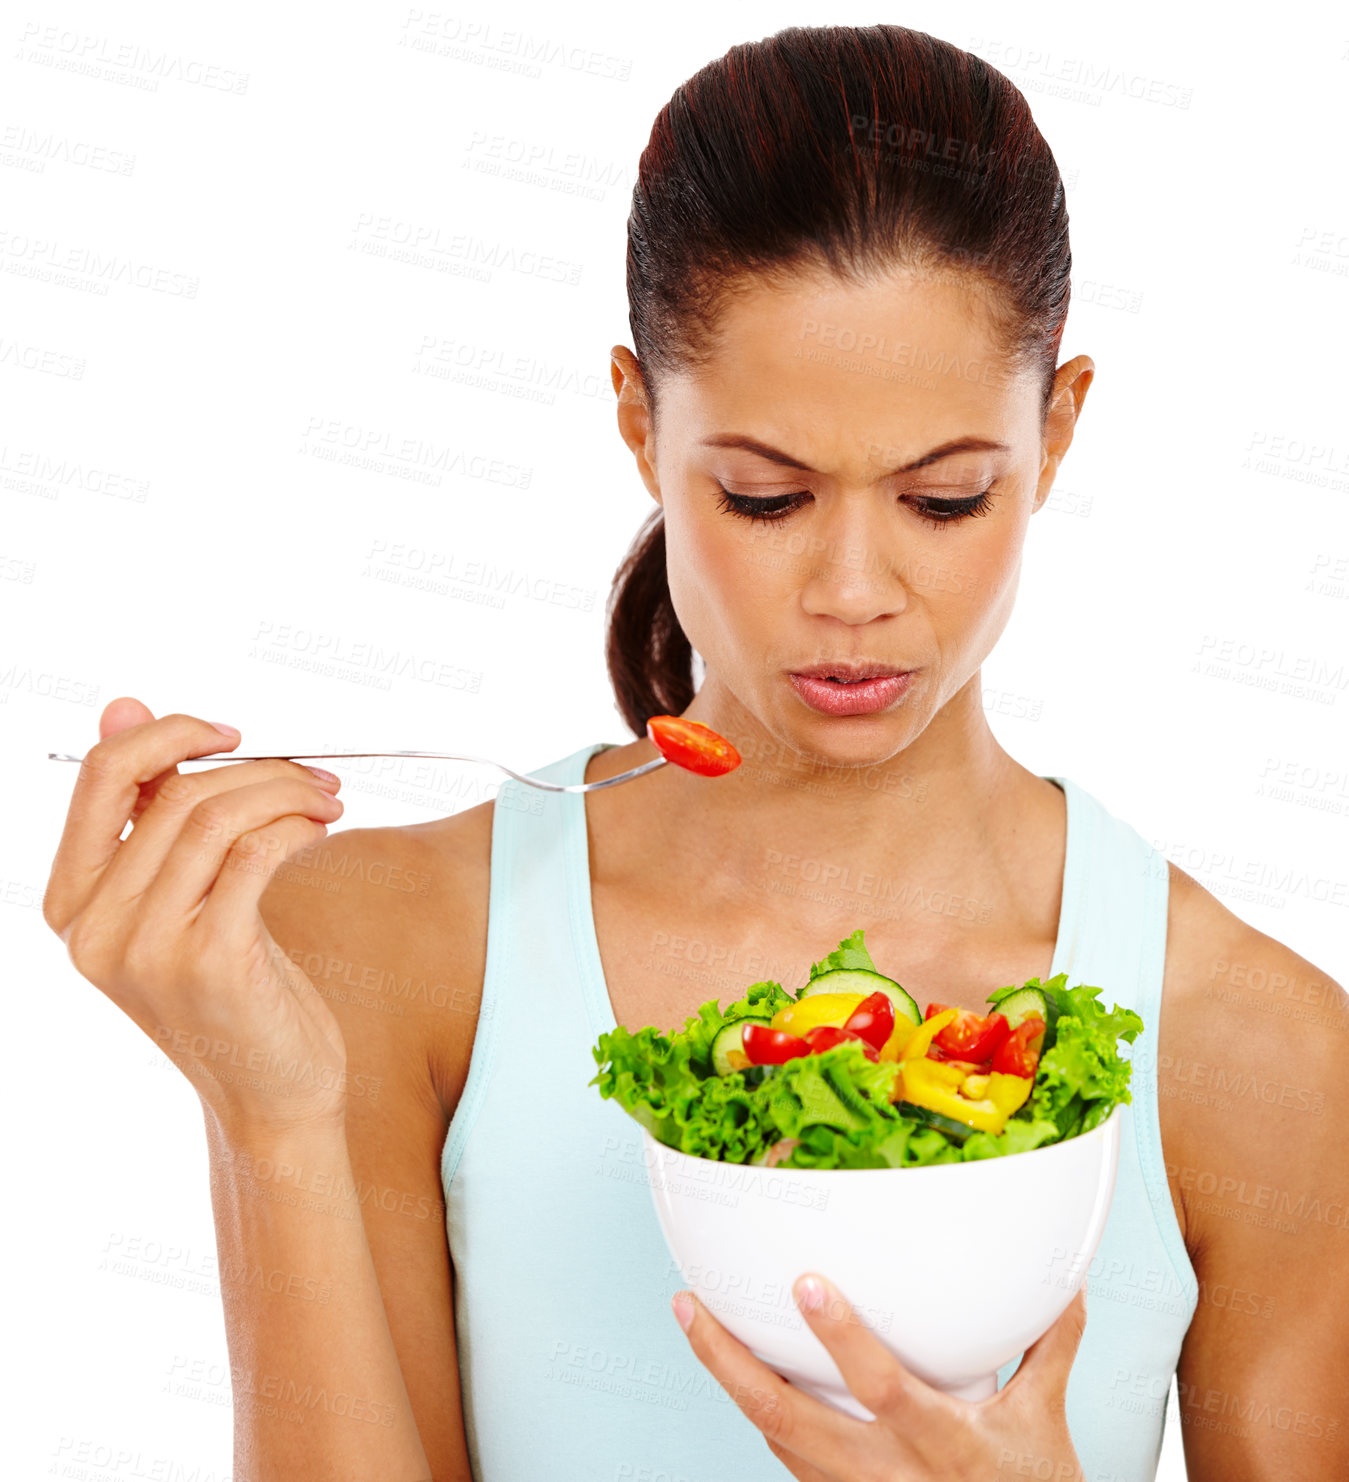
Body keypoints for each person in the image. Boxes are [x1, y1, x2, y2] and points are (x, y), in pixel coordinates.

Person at [43, 21, 1347, 1482]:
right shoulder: (382, 948)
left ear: (1055, 430)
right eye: (765, 496)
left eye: (942, 500)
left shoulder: (1261, 1048)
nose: (853, 592)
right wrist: (267, 1116)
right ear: (635, 418)